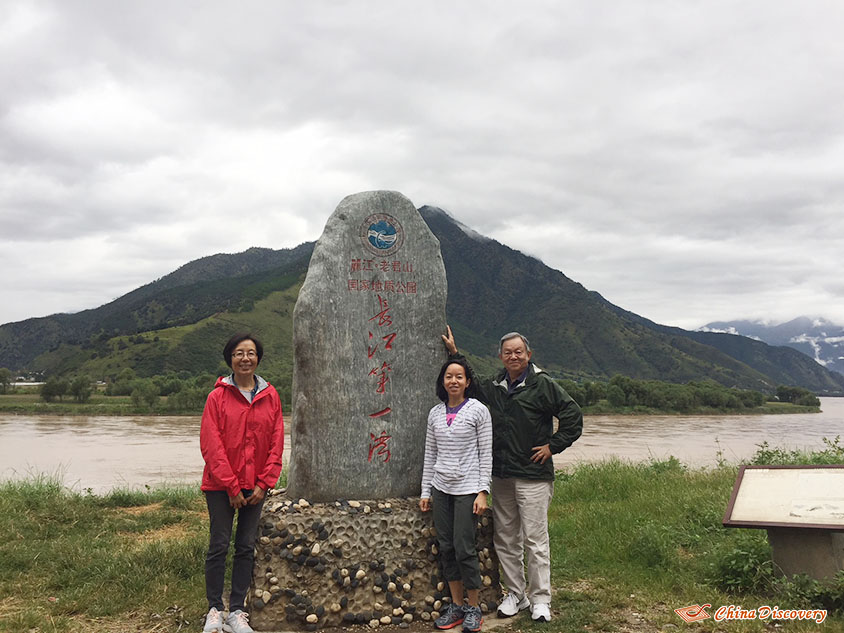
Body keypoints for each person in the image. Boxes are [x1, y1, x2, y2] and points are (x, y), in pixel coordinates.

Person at [441, 327, 582, 623]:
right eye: (508, 352)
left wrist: (552, 446)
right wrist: (455, 355)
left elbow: (572, 416)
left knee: (535, 539)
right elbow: (472, 385)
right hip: (502, 475)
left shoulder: (543, 384)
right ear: (501, 356)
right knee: (505, 538)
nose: (513, 356)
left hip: (533, 475)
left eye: (519, 352)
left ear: (528, 355)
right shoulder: (495, 384)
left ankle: (541, 598)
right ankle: (516, 594)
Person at [199, 333, 285, 633]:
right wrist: (232, 486)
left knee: (246, 547)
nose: (245, 358)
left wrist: (265, 483)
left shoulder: (270, 395)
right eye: (239, 353)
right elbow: (211, 445)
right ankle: (214, 609)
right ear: (230, 359)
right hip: (221, 487)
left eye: (250, 353)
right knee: (219, 545)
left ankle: (237, 611)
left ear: (258, 358)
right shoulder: (217, 397)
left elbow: (276, 442)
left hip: (257, 486)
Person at [419, 358, 493, 632]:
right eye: (448, 376)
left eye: (458, 376)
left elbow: (486, 454)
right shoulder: (435, 413)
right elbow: (431, 454)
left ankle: (474, 607)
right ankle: (457, 605)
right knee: (447, 547)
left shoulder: (478, 411)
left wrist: (483, 491)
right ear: (442, 381)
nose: (453, 381)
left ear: (467, 382)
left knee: (464, 548)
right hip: (441, 489)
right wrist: (426, 490)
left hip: (467, 489)